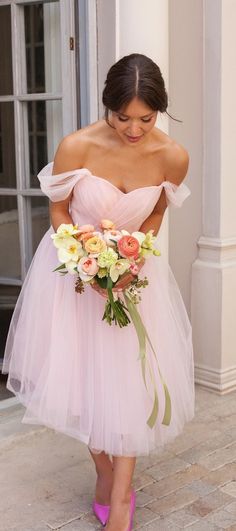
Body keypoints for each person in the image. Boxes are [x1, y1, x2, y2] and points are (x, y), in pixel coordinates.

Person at [2, 53, 195, 530]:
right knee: (86, 391)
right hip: (73, 278)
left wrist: (132, 258)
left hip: (135, 278)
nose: (134, 129)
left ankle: (122, 499)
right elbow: (59, 213)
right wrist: (84, 259)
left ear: (160, 110)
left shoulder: (172, 156)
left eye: (146, 119)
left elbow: (153, 217)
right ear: (106, 106)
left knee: (129, 387)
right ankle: (103, 472)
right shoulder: (76, 147)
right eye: (122, 117)